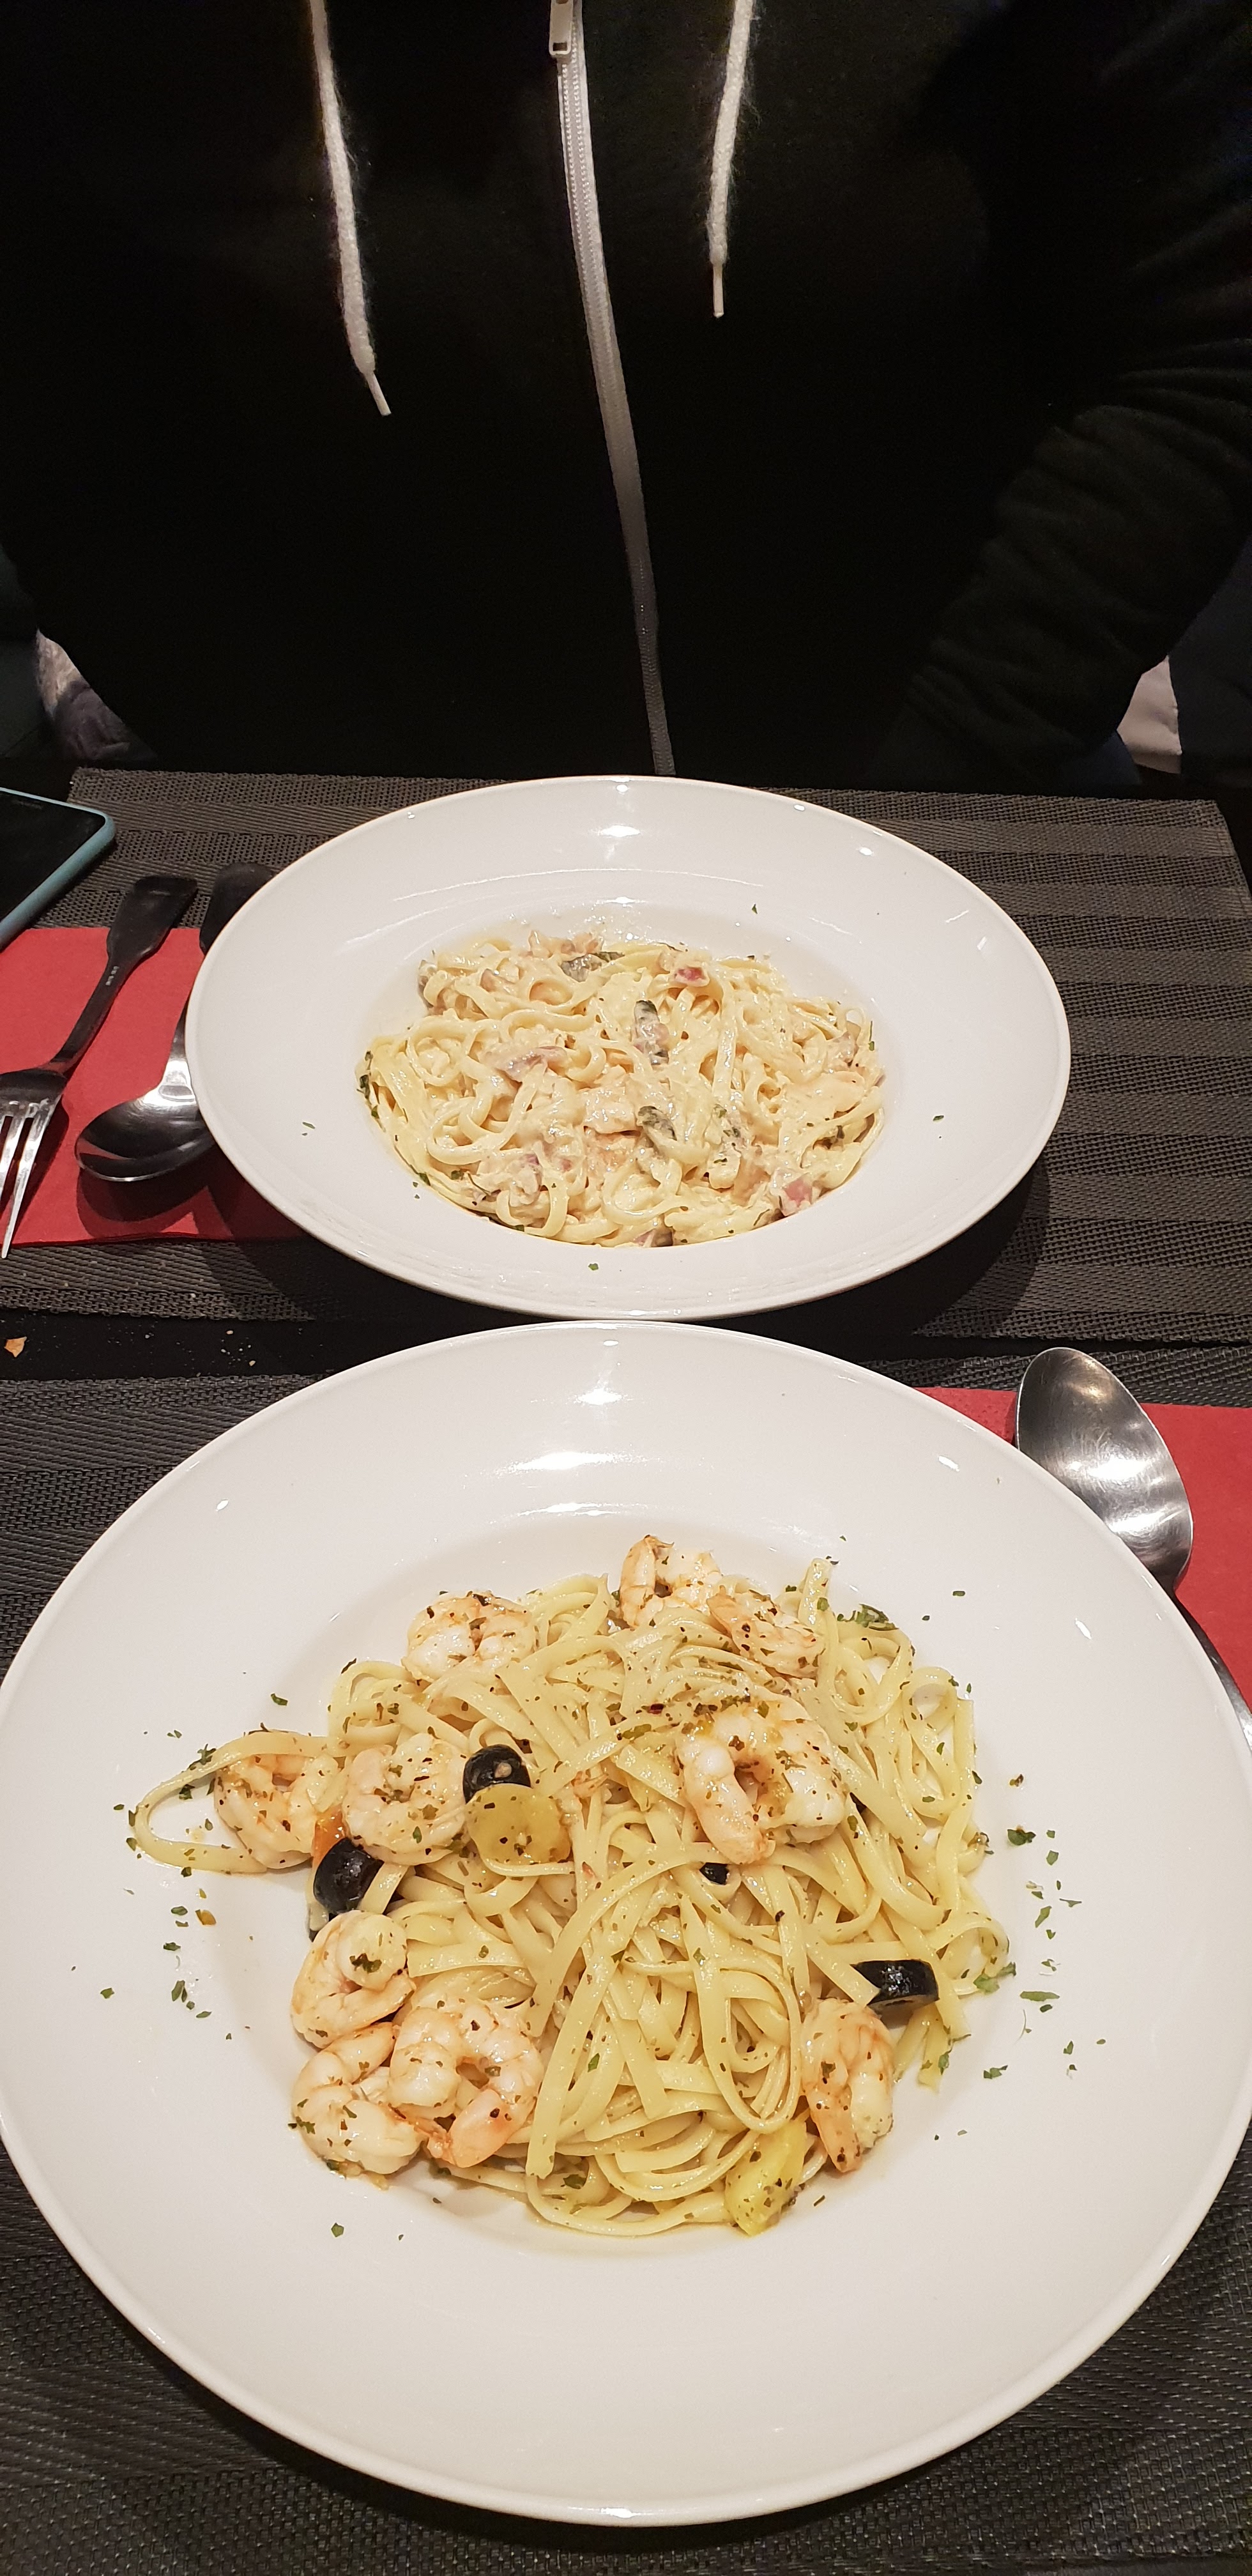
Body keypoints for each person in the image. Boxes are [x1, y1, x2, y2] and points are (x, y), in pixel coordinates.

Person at [0, 0, 1249, 792]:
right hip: (350, 814)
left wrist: (950, 745)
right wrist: (314, 777)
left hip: (953, 774)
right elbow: (72, 427)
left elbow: (1197, 343)